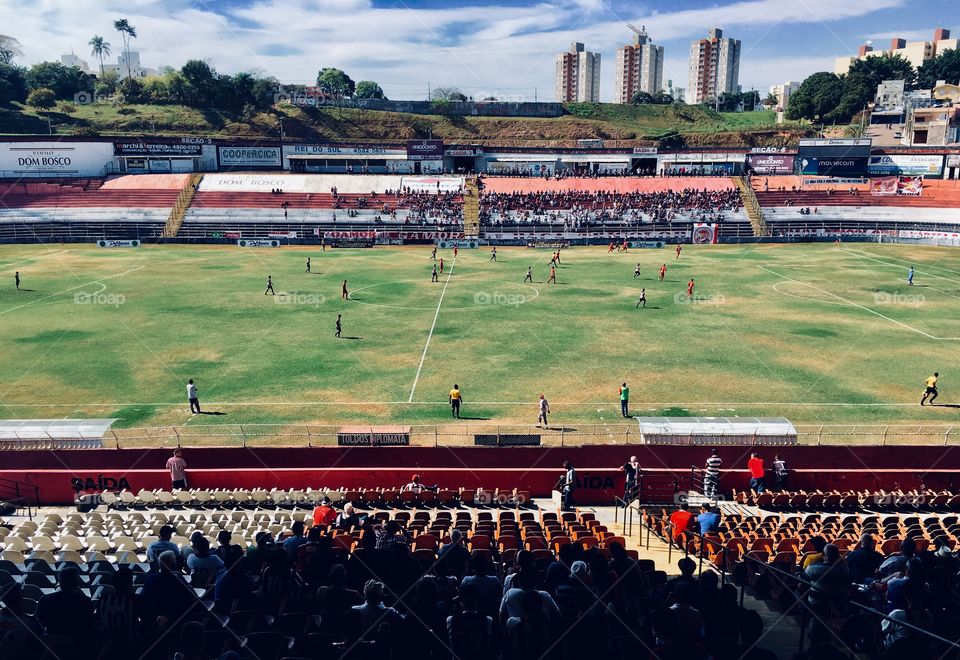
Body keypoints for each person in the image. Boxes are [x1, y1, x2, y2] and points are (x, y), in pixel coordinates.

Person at [36, 567, 93, 643]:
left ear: (60, 582)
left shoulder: (45, 599)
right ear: (77, 582)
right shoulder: (85, 601)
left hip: (52, 641)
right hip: (76, 642)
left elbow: (39, 622)